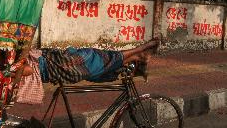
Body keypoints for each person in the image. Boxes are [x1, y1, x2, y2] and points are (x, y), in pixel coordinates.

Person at [16, 39, 159, 104]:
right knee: (102, 73)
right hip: (62, 67)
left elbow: (27, 70)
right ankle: (137, 57)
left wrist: (9, 72)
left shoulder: (11, 63)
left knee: (106, 60)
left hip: (65, 64)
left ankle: (141, 50)